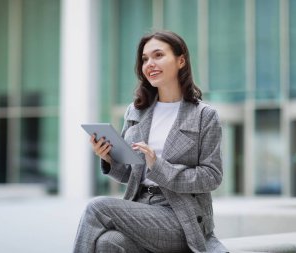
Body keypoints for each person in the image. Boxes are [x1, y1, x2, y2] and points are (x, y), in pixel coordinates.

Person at [73, 31, 228, 253]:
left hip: (181, 216)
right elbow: (129, 174)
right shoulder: (136, 111)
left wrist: (158, 166)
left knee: (97, 207)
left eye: (158, 55)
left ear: (181, 61)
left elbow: (212, 177)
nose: (150, 64)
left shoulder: (204, 115)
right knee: (108, 243)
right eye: (145, 59)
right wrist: (108, 158)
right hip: (139, 208)